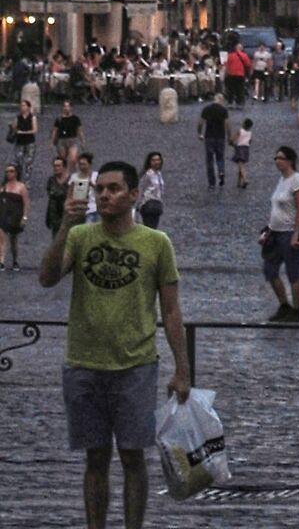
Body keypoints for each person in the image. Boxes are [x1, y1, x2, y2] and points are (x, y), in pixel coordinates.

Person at [38, 156, 190, 529]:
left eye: (113, 189)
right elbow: (46, 278)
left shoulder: (156, 243)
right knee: (95, 459)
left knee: (133, 458)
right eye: (99, 189)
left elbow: (171, 311)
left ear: (134, 195)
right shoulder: (80, 236)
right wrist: (63, 227)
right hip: (84, 363)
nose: (104, 196)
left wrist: (182, 369)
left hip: (135, 366)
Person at [261, 143, 299, 324]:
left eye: (280, 158)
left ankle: (297, 311)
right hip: (275, 233)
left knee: (293, 273)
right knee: (270, 270)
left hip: (290, 233)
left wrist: (297, 233)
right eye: (276, 158)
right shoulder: (281, 180)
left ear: (289, 160)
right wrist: (268, 229)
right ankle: (284, 305)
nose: (276, 161)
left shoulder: (297, 180)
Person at [197, 93, 229, 190]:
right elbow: (226, 124)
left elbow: (200, 122)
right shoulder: (223, 110)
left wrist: (199, 133)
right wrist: (229, 135)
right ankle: (221, 171)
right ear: (221, 100)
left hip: (209, 136)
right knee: (220, 157)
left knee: (209, 160)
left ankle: (211, 182)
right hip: (220, 137)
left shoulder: (206, 109)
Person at [1, 161, 27, 269]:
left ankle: (15, 260)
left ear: (16, 173)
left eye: (11, 171)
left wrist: (24, 217)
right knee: (1, 239)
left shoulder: (21, 187)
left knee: (13, 241)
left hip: (15, 216)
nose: (9, 174)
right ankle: (1, 261)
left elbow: (26, 203)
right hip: (3, 215)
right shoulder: (3, 186)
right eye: (7, 171)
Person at [9, 96, 39, 181]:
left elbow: (35, 130)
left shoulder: (32, 117)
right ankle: (18, 178)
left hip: (30, 142)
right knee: (18, 161)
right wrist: (12, 126)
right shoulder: (18, 117)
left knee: (28, 162)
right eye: (21, 105)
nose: (22, 107)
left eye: (24, 105)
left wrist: (24, 132)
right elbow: (14, 128)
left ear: (28, 107)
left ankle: (27, 180)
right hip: (20, 142)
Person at [135, 155, 165, 231]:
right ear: (149, 162)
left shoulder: (158, 174)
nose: (156, 162)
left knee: (154, 228)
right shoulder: (147, 174)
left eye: (158, 160)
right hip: (148, 204)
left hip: (157, 205)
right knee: (149, 228)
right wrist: (138, 204)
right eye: (153, 160)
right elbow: (141, 188)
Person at [230, 116, 252, 191]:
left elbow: (233, 139)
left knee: (241, 166)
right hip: (246, 150)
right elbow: (250, 141)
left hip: (239, 149)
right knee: (240, 166)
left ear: (243, 124)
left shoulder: (239, 131)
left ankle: (245, 180)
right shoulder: (249, 133)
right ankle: (239, 183)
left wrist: (231, 143)